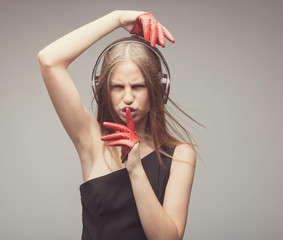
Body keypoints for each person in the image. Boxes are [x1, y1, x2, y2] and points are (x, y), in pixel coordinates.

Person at [38, 10, 199, 240]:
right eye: (117, 87)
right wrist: (117, 18)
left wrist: (135, 169)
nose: (128, 97)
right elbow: (49, 60)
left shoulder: (180, 154)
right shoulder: (91, 140)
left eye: (138, 86)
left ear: (157, 90)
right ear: (103, 90)